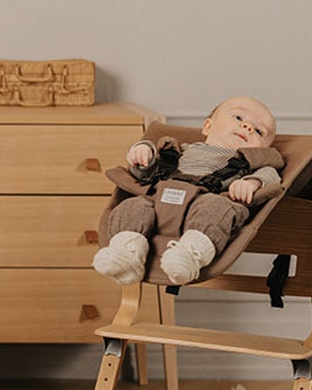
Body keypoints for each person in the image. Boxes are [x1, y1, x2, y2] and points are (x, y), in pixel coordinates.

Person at [93, 95, 284, 285]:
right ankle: (127, 252)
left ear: (265, 149)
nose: (248, 127)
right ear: (208, 126)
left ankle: (190, 255)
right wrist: (143, 155)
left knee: (217, 207)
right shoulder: (179, 150)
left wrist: (252, 183)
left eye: (259, 131)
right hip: (158, 199)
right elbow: (146, 175)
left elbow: (271, 176)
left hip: (204, 204)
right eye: (239, 118)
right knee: (132, 206)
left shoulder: (251, 165)